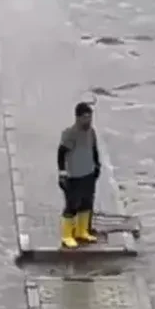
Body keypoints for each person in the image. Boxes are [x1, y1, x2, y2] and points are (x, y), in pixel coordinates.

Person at [57, 102, 100, 249]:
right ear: (78, 117)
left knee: (86, 203)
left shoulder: (91, 132)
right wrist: (62, 173)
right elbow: (61, 153)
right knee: (72, 205)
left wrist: (97, 165)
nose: (88, 120)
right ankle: (67, 235)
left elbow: (94, 149)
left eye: (90, 117)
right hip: (74, 175)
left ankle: (82, 231)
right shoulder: (70, 134)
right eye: (85, 117)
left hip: (88, 173)